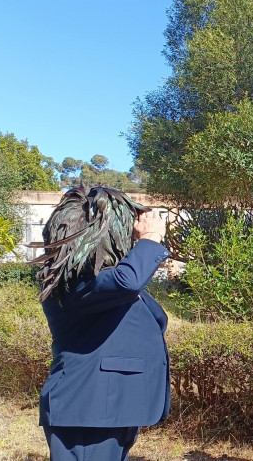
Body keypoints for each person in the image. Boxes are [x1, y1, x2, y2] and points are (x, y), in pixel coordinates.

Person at [34, 185, 171, 461]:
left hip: (109, 408)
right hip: (87, 410)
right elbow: (128, 280)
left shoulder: (101, 282)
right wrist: (151, 238)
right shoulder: (72, 284)